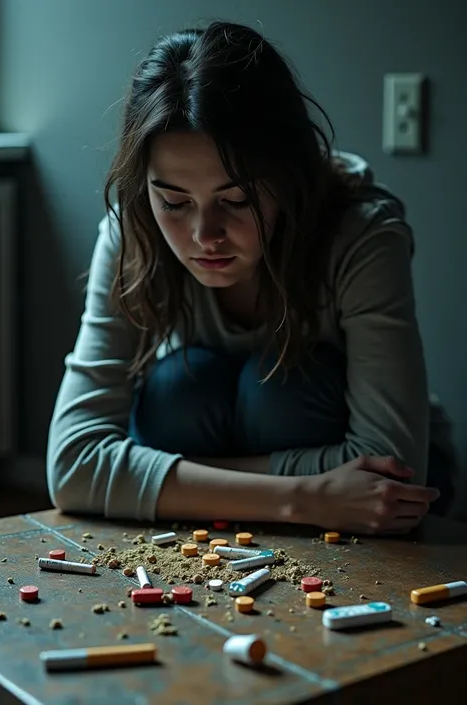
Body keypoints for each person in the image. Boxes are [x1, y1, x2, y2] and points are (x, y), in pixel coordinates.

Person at [47, 20, 449, 535]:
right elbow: (74, 465)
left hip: (385, 491)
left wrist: (156, 477)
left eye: (236, 200)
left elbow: (386, 473)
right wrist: (302, 498)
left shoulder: (361, 235)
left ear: (288, 177)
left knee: (280, 390)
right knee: (177, 390)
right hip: (318, 496)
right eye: (173, 201)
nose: (203, 235)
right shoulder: (133, 233)